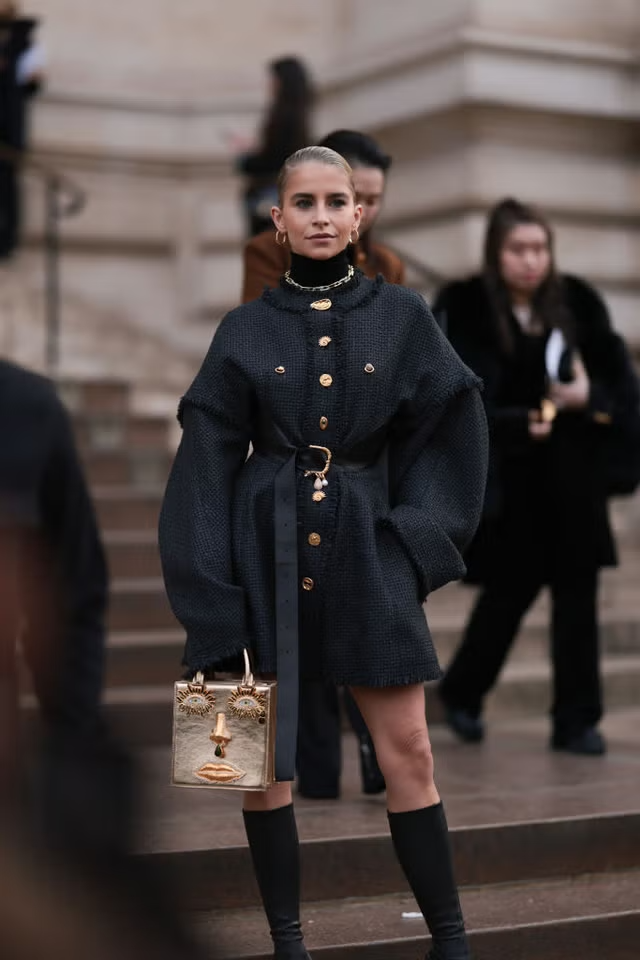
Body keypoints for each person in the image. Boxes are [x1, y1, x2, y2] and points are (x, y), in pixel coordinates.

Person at [160, 146, 488, 960]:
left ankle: (451, 942)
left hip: (370, 547)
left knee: (409, 748)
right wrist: (210, 605)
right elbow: (201, 469)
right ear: (278, 219)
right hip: (255, 546)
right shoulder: (242, 328)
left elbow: (453, 429)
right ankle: (288, 944)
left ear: (359, 214)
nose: (319, 217)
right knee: (256, 768)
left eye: (335, 201)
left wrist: (417, 544)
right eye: (302, 203)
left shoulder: (404, 315)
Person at [436, 197, 640, 756]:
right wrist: (516, 423)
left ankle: (577, 721)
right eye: (518, 249)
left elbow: (622, 390)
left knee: (579, 602)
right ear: (496, 253)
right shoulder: (469, 307)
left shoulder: (578, 303)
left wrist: (586, 398)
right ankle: (462, 693)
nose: (531, 261)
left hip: (574, 482)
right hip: (511, 484)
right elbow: (457, 396)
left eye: (539, 248)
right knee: (507, 596)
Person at [244, 129, 404, 800]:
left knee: (362, 620)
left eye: (360, 201)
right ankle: (310, 771)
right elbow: (264, 340)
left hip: (366, 473)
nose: (341, 214)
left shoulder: (389, 271)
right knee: (292, 622)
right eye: (340, 196)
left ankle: (374, 755)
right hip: (288, 464)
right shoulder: (264, 258)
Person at [242, 128, 404, 303]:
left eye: (372, 201)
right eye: (347, 199)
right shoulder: (269, 252)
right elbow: (259, 324)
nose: (361, 211)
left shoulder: (387, 265)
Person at [235, 57, 314, 238]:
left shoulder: (283, 118)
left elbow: (272, 160)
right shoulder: (301, 118)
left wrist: (246, 158)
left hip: (270, 199)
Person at [0, 2, 44, 259]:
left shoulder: (25, 43)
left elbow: (32, 83)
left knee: (8, 187)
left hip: (9, 128)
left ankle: (7, 243)